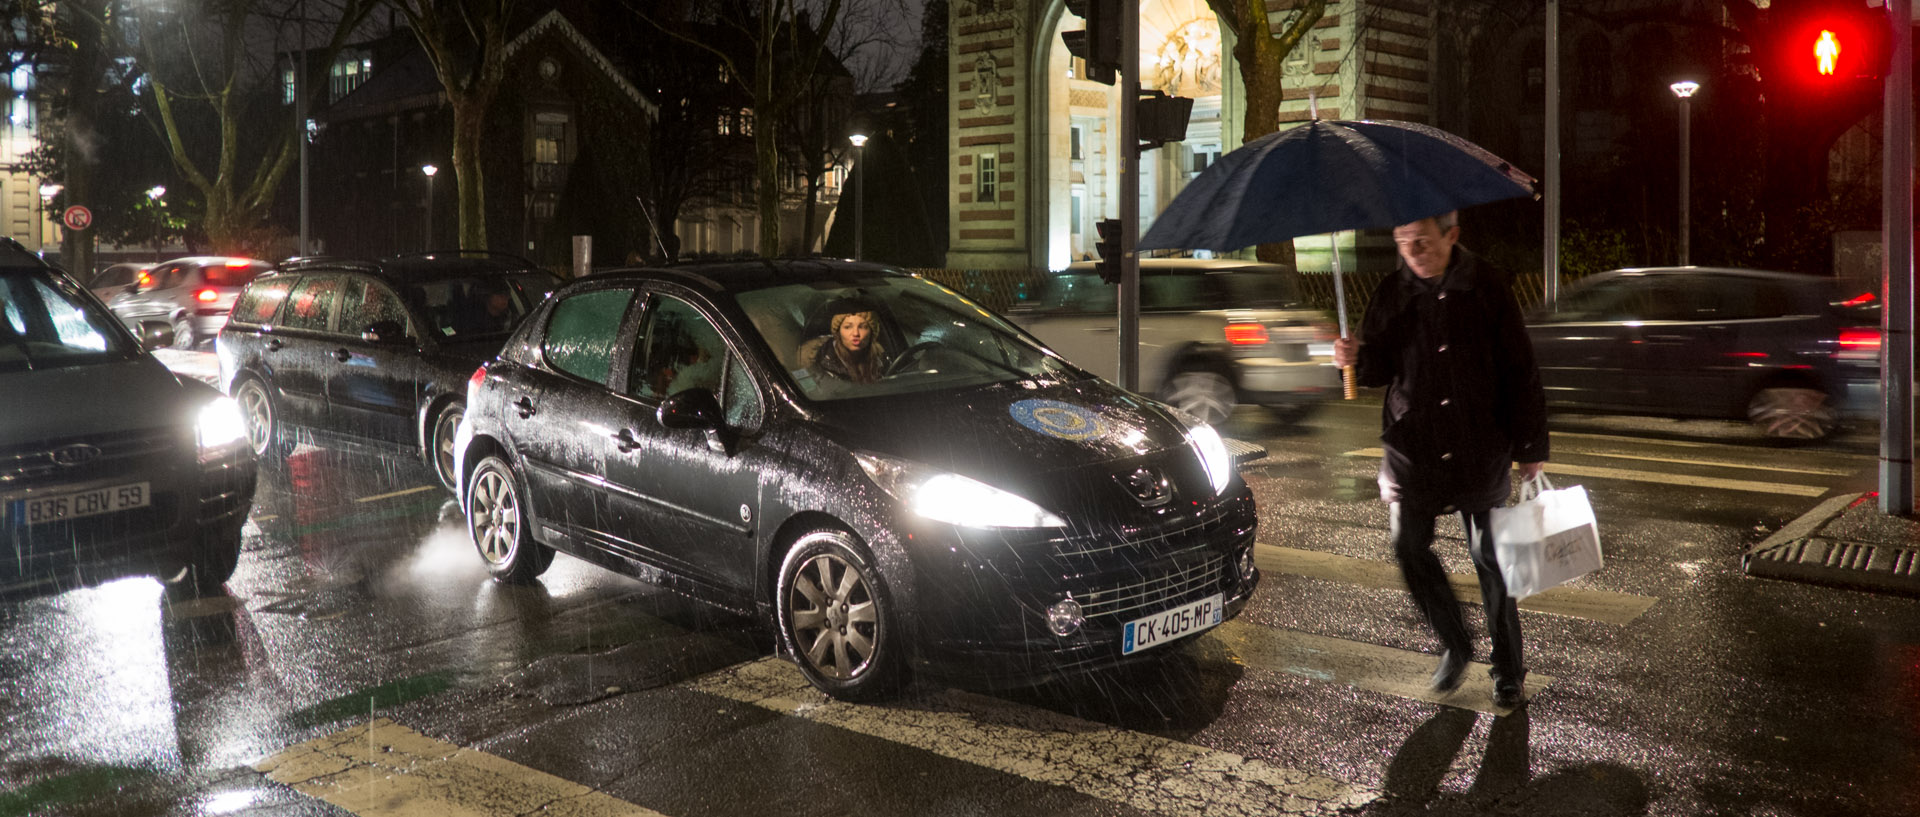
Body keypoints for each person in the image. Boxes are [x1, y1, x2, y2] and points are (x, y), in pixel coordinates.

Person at [1331, 210, 1549, 710]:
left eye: (1423, 240)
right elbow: (1378, 367)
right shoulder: (1393, 291)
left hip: (1479, 441)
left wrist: (1530, 449)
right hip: (1416, 444)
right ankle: (1456, 642)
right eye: (1403, 241)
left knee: (1492, 559)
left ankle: (1508, 670)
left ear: (1452, 236)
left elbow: (1520, 368)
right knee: (1408, 547)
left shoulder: (1487, 284)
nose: (1413, 251)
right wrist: (1351, 357)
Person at [800, 300, 890, 384]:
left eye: (862, 327)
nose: (855, 333)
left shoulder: (880, 356)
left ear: (871, 332)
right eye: (848, 327)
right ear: (838, 332)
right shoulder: (819, 359)